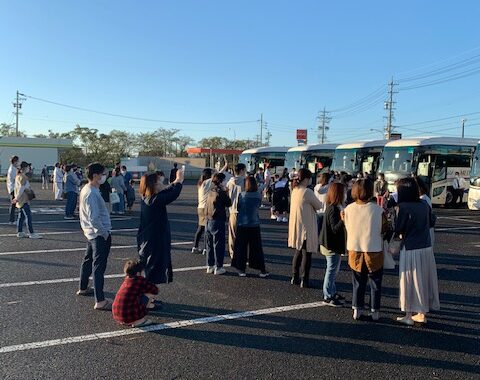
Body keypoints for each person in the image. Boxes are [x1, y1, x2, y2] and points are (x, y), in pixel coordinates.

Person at [394, 177, 439, 326]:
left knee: (409, 281)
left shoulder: (403, 207)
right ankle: (421, 313)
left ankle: (408, 314)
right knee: (423, 280)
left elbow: (399, 228)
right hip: (425, 247)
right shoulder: (424, 204)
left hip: (411, 247)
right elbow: (432, 221)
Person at [342, 178, 386, 321]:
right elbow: (384, 229)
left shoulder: (348, 209)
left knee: (358, 281)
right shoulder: (378, 210)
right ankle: (375, 311)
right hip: (373, 248)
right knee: (375, 282)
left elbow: (347, 227)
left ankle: (357, 309)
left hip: (354, 248)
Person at [137, 170, 183, 292]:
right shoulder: (154, 200)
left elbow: (166, 191)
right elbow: (172, 195)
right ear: (153, 185)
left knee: (151, 268)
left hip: (150, 239)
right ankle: (147, 299)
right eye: (158, 182)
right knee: (152, 269)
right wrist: (179, 182)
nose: (161, 184)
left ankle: (149, 298)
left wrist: (175, 182)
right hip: (154, 241)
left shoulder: (148, 197)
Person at [77, 163, 112, 310]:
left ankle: (83, 287)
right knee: (98, 266)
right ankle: (100, 300)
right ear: (96, 175)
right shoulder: (91, 192)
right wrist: (103, 233)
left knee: (88, 260)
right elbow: (94, 218)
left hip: (90, 233)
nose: (105, 176)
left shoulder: (88, 189)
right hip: (97, 234)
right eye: (104, 173)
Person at [288, 168, 322, 288]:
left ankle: (294, 277)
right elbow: (319, 205)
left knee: (298, 252)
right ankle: (304, 279)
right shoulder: (307, 191)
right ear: (307, 178)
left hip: (297, 226)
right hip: (306, 227)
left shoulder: (295, 190)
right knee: (306, 254)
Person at [232, 176, 269, 277]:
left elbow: (238, 207)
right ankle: (261, 269)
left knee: (241, 248)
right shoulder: (258, 195)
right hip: (254, 224)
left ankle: (241, 269)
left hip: (242, 224)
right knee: (256, 248)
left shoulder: (242, 195)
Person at [319, 182, 346, 307]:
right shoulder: (333, 209)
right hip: (331, 245)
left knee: (333, 270)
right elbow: (335, 228)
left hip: (329, 244)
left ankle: (332, 292)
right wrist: (343, 219)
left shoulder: (333, 206)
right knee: (331, 270)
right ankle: (328, 295)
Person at [112, 259, 159, 328]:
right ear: (138, 273)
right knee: (150, 294)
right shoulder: (140, 280)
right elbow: (155, 290)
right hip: (128, 316)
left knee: (136, 296)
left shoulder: (127, 280)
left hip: (117, 315)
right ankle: (138, 321)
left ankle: (128, 320)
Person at [204, 172, 232, 275]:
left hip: (208, 219)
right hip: (217, 220)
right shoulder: (221, 192)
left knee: (209, 244)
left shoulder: (210, 190)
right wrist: (227, 192)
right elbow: (229, 203)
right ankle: (218, 267)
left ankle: (210, 265)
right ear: (221, 181)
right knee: (218, 245)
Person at [12, 161, 42, 239]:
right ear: (25, 168)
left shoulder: (18, 176)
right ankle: (31, 233)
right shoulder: (23, 177)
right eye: (28, 167)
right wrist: (16, 198)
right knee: (28, 216)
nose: (29, 168)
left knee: (21, 216)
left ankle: (20, 232)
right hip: (23, 199)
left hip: (20, 200)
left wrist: (16, 198)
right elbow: (22, 189)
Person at [226, 163, 247, 258]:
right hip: (243, 211)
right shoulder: (246, 182)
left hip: (232, 211)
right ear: (242, 170)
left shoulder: (229, 182)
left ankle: (233, 254)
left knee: (232, 235)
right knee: (244, 236)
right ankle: (243, 255)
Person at [6, 155, 19, 225]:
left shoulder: (13, 168)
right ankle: (12, 220)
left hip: (12, 188)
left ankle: (12, 219)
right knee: (13, 205)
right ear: (15, 161)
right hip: (13, 188)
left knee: (14, 205)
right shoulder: (12, 169)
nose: (18, 162)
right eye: (17, 161)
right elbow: (16, 179)